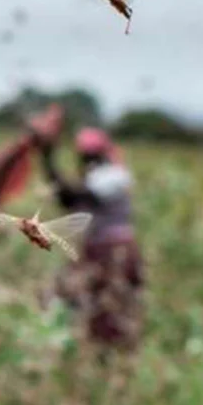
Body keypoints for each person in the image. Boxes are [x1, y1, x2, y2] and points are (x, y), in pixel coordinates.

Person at [35, 127, 145, 351]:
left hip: (114, 252)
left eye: (88, 156)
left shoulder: (114, 176)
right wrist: (46, 157)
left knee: (109, 310)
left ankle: (107, 360)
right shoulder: (98, 176)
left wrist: (48, 155)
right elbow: (66, 198)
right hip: (98, 250)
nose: (85, 161)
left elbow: (75, 194)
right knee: (84, 303)